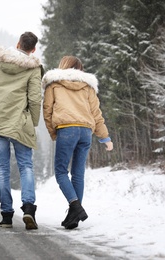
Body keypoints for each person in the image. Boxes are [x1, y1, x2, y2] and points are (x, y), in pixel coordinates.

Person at [0, 32, 43, 230]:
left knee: (2, 169)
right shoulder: (33, 69)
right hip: (19, 124)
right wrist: (33, 122)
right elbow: (35, 99)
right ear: (33, 50)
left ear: (17, 43)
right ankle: (29, 208)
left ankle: (6, 216)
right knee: (26, 166)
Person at [42, 56, 113, 230]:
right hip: (86, 132)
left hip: (66, 129)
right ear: (80, 69)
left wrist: (54, 133)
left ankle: (75, 207)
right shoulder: (88, 87)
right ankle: (73, 217)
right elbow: (96, 113)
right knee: (78, 174)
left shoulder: (54, 84)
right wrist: (105, 137)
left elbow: (47, 111)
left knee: (60, 172)